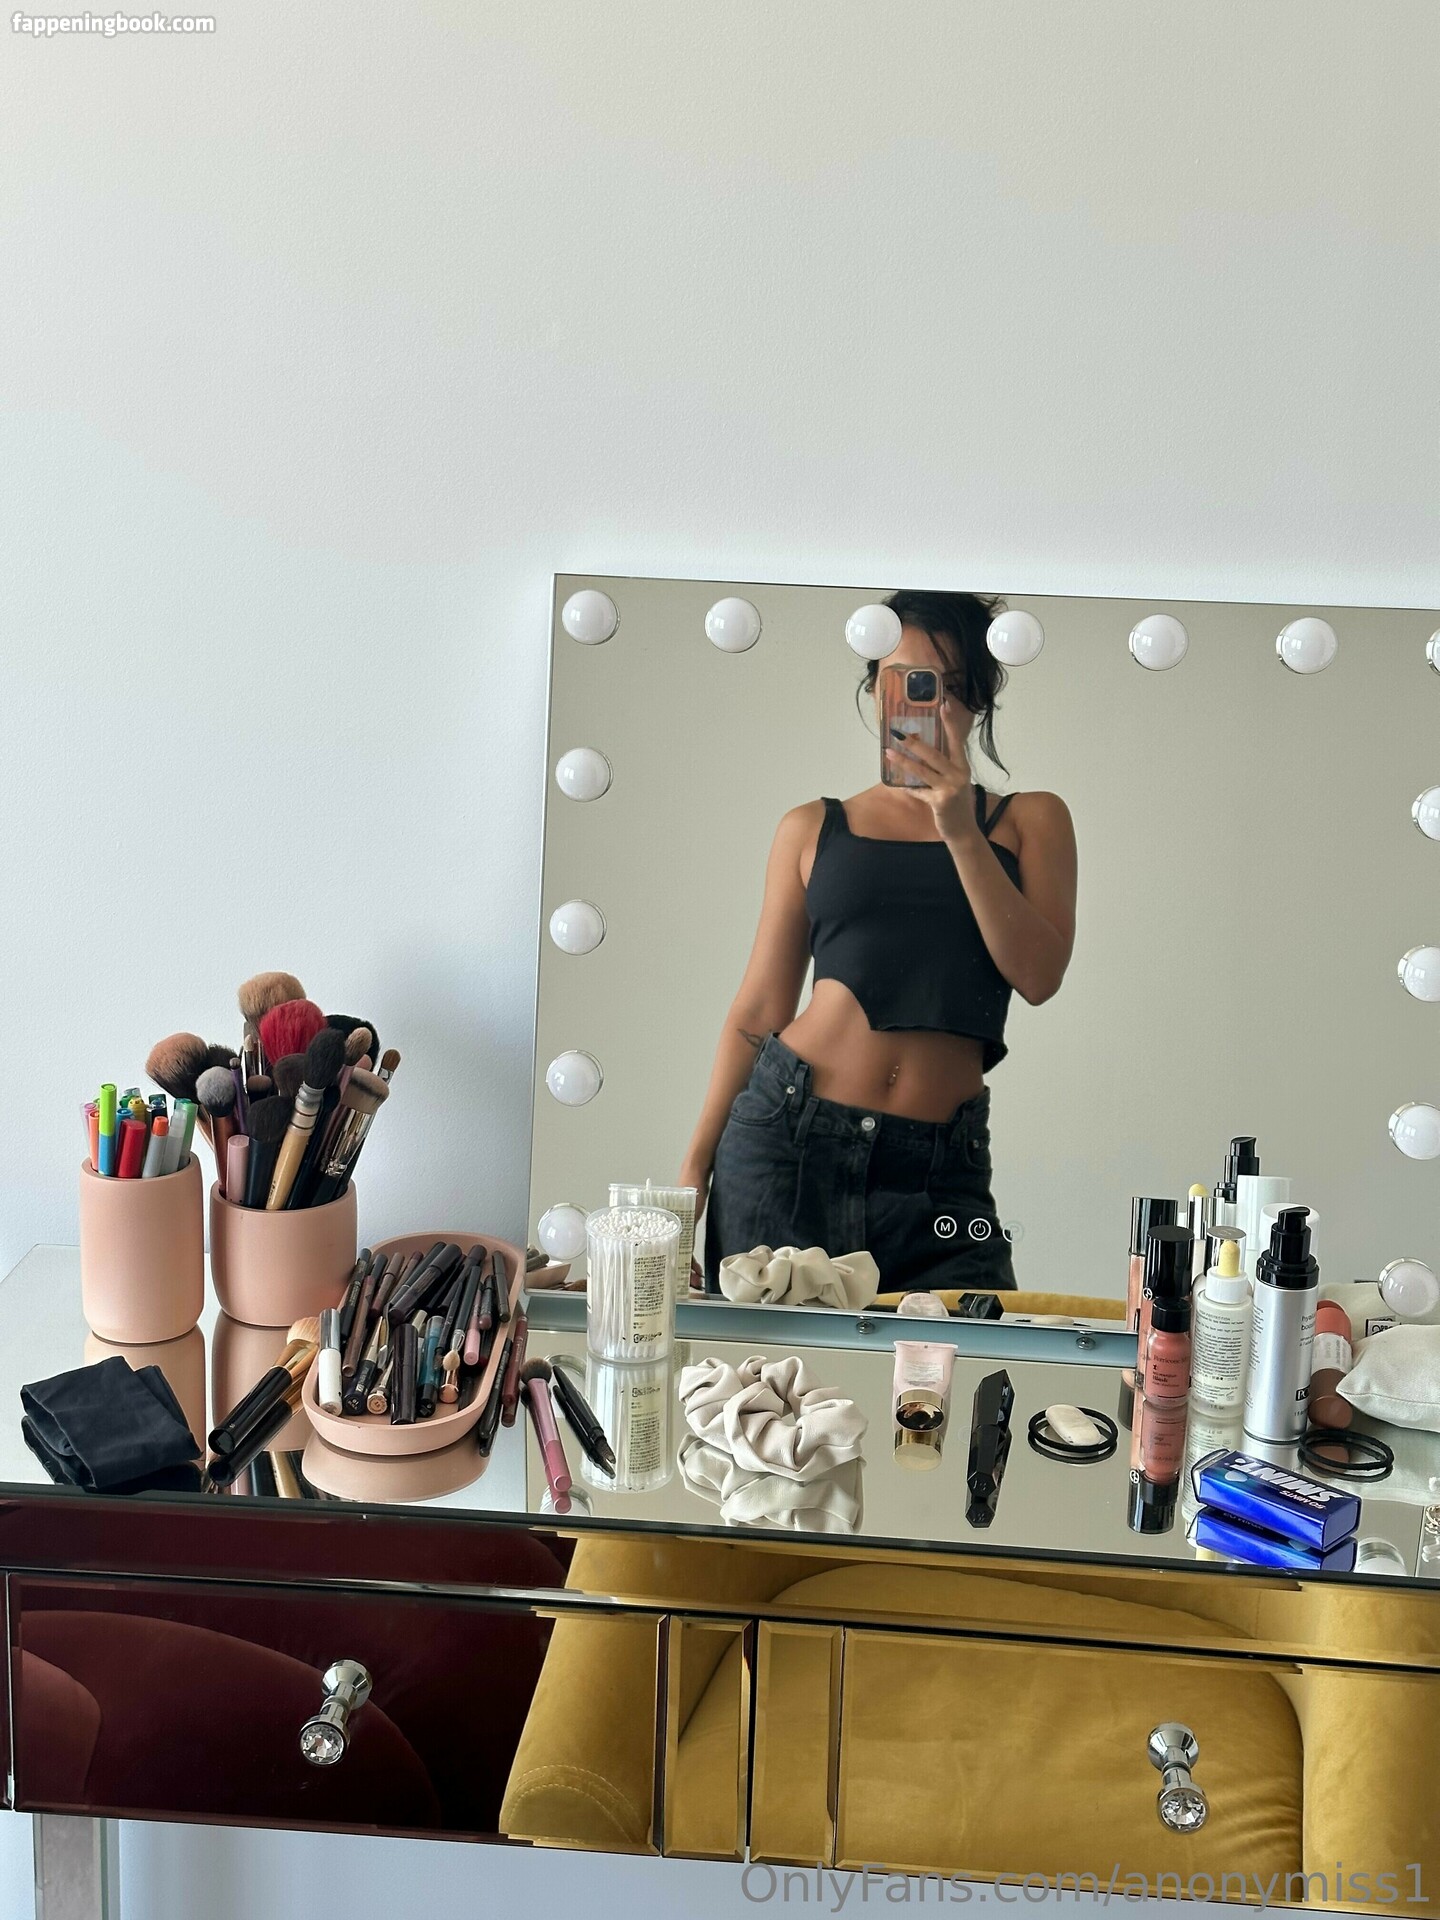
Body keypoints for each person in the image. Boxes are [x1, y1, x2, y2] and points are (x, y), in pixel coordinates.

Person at [682, 588, 1077, 1294]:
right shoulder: (811, 828)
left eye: (951, 686)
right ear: (875, 689)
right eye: (909, 681)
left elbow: (1039, 975)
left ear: (978, 700)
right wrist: (692, 1173)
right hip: (785, 1146)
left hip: (939, 1173)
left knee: (971, 1360)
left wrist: (959, 830)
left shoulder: (1030, 821)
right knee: (760, 1368)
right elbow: (759, 1012)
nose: (930, 704)